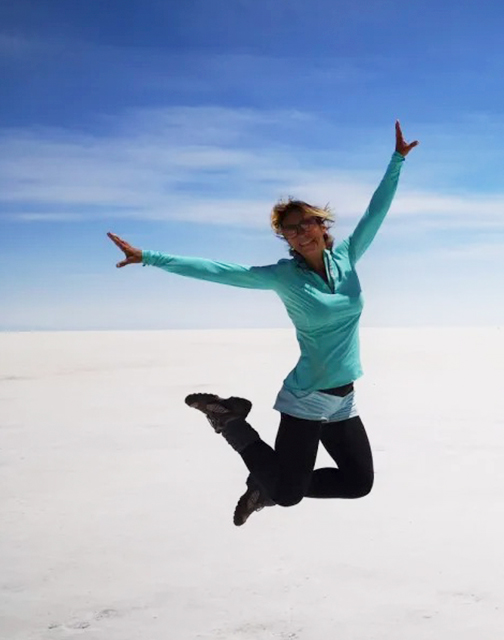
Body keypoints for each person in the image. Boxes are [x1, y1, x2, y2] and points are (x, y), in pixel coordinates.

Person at [107, 121, 418, 526]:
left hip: (343, 398)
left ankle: (265, 483)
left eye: (306, 223)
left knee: (358, 482)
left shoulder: (347, 258)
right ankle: (230, 421)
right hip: (307, 397)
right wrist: (149, 256)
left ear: (323, 226)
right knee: (288, 494)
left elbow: (377, 211)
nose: (300, 232)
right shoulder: (283, 277)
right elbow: (218, 270)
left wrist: (396, 161)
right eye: (290, 229)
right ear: (285, 239)